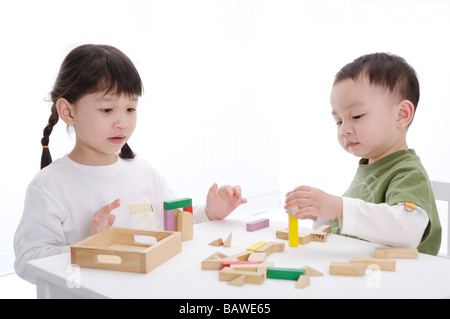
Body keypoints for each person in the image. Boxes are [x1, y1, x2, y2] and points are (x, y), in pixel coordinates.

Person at [14, 44, 247, 283]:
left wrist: (209, 214)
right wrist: (91, 247)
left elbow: (174, 227)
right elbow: (27, 260)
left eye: (130, 108)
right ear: (68, 111)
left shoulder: (143, 173)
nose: (123, 122)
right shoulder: (50, 185)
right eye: (107, 109)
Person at [284, 53, 441, 255]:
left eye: (357, 116)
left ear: (401, 115)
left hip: (403, 280)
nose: (344, 130)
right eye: (339, 121)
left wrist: (339, 207)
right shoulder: (368, 166)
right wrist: (322, 214)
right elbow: (361, 228)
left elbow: (407, 231)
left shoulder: (409, 173)